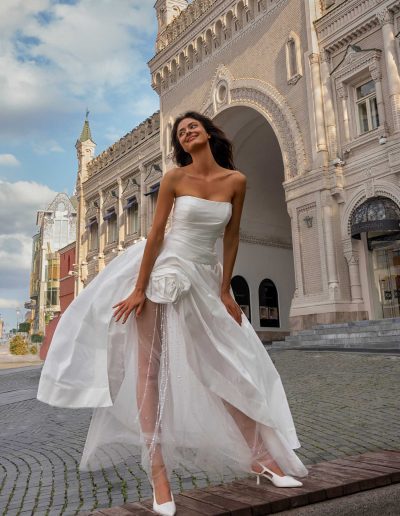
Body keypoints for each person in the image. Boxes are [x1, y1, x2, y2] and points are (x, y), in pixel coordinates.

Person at [37, 111, 308, 516]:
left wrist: (225, 290)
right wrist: (139, 288)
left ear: (207, 132)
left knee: (227, 367)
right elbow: (157, 234)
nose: (186, 132)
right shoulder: (173, 179)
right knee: (149, 373)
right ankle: (158, 472)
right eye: (180, 132)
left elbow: (231, 236)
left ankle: (260, 458)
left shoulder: (236, 182)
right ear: (179, 144)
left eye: (191, 126)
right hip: (164, 269)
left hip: (203, 276)